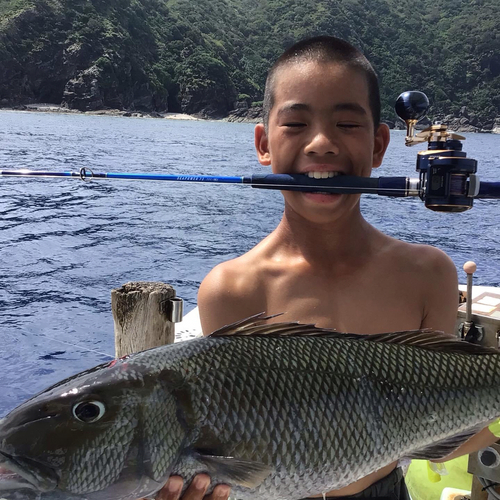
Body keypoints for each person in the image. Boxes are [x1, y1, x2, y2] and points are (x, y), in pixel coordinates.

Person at [152, 36, 499, 500]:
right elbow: (232, 449)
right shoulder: (231, 288)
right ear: (263, 143)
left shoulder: (427, 273)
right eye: (295, 123)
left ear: (378, 146)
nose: (321, 143)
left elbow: (438, 433)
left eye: (347, 124)